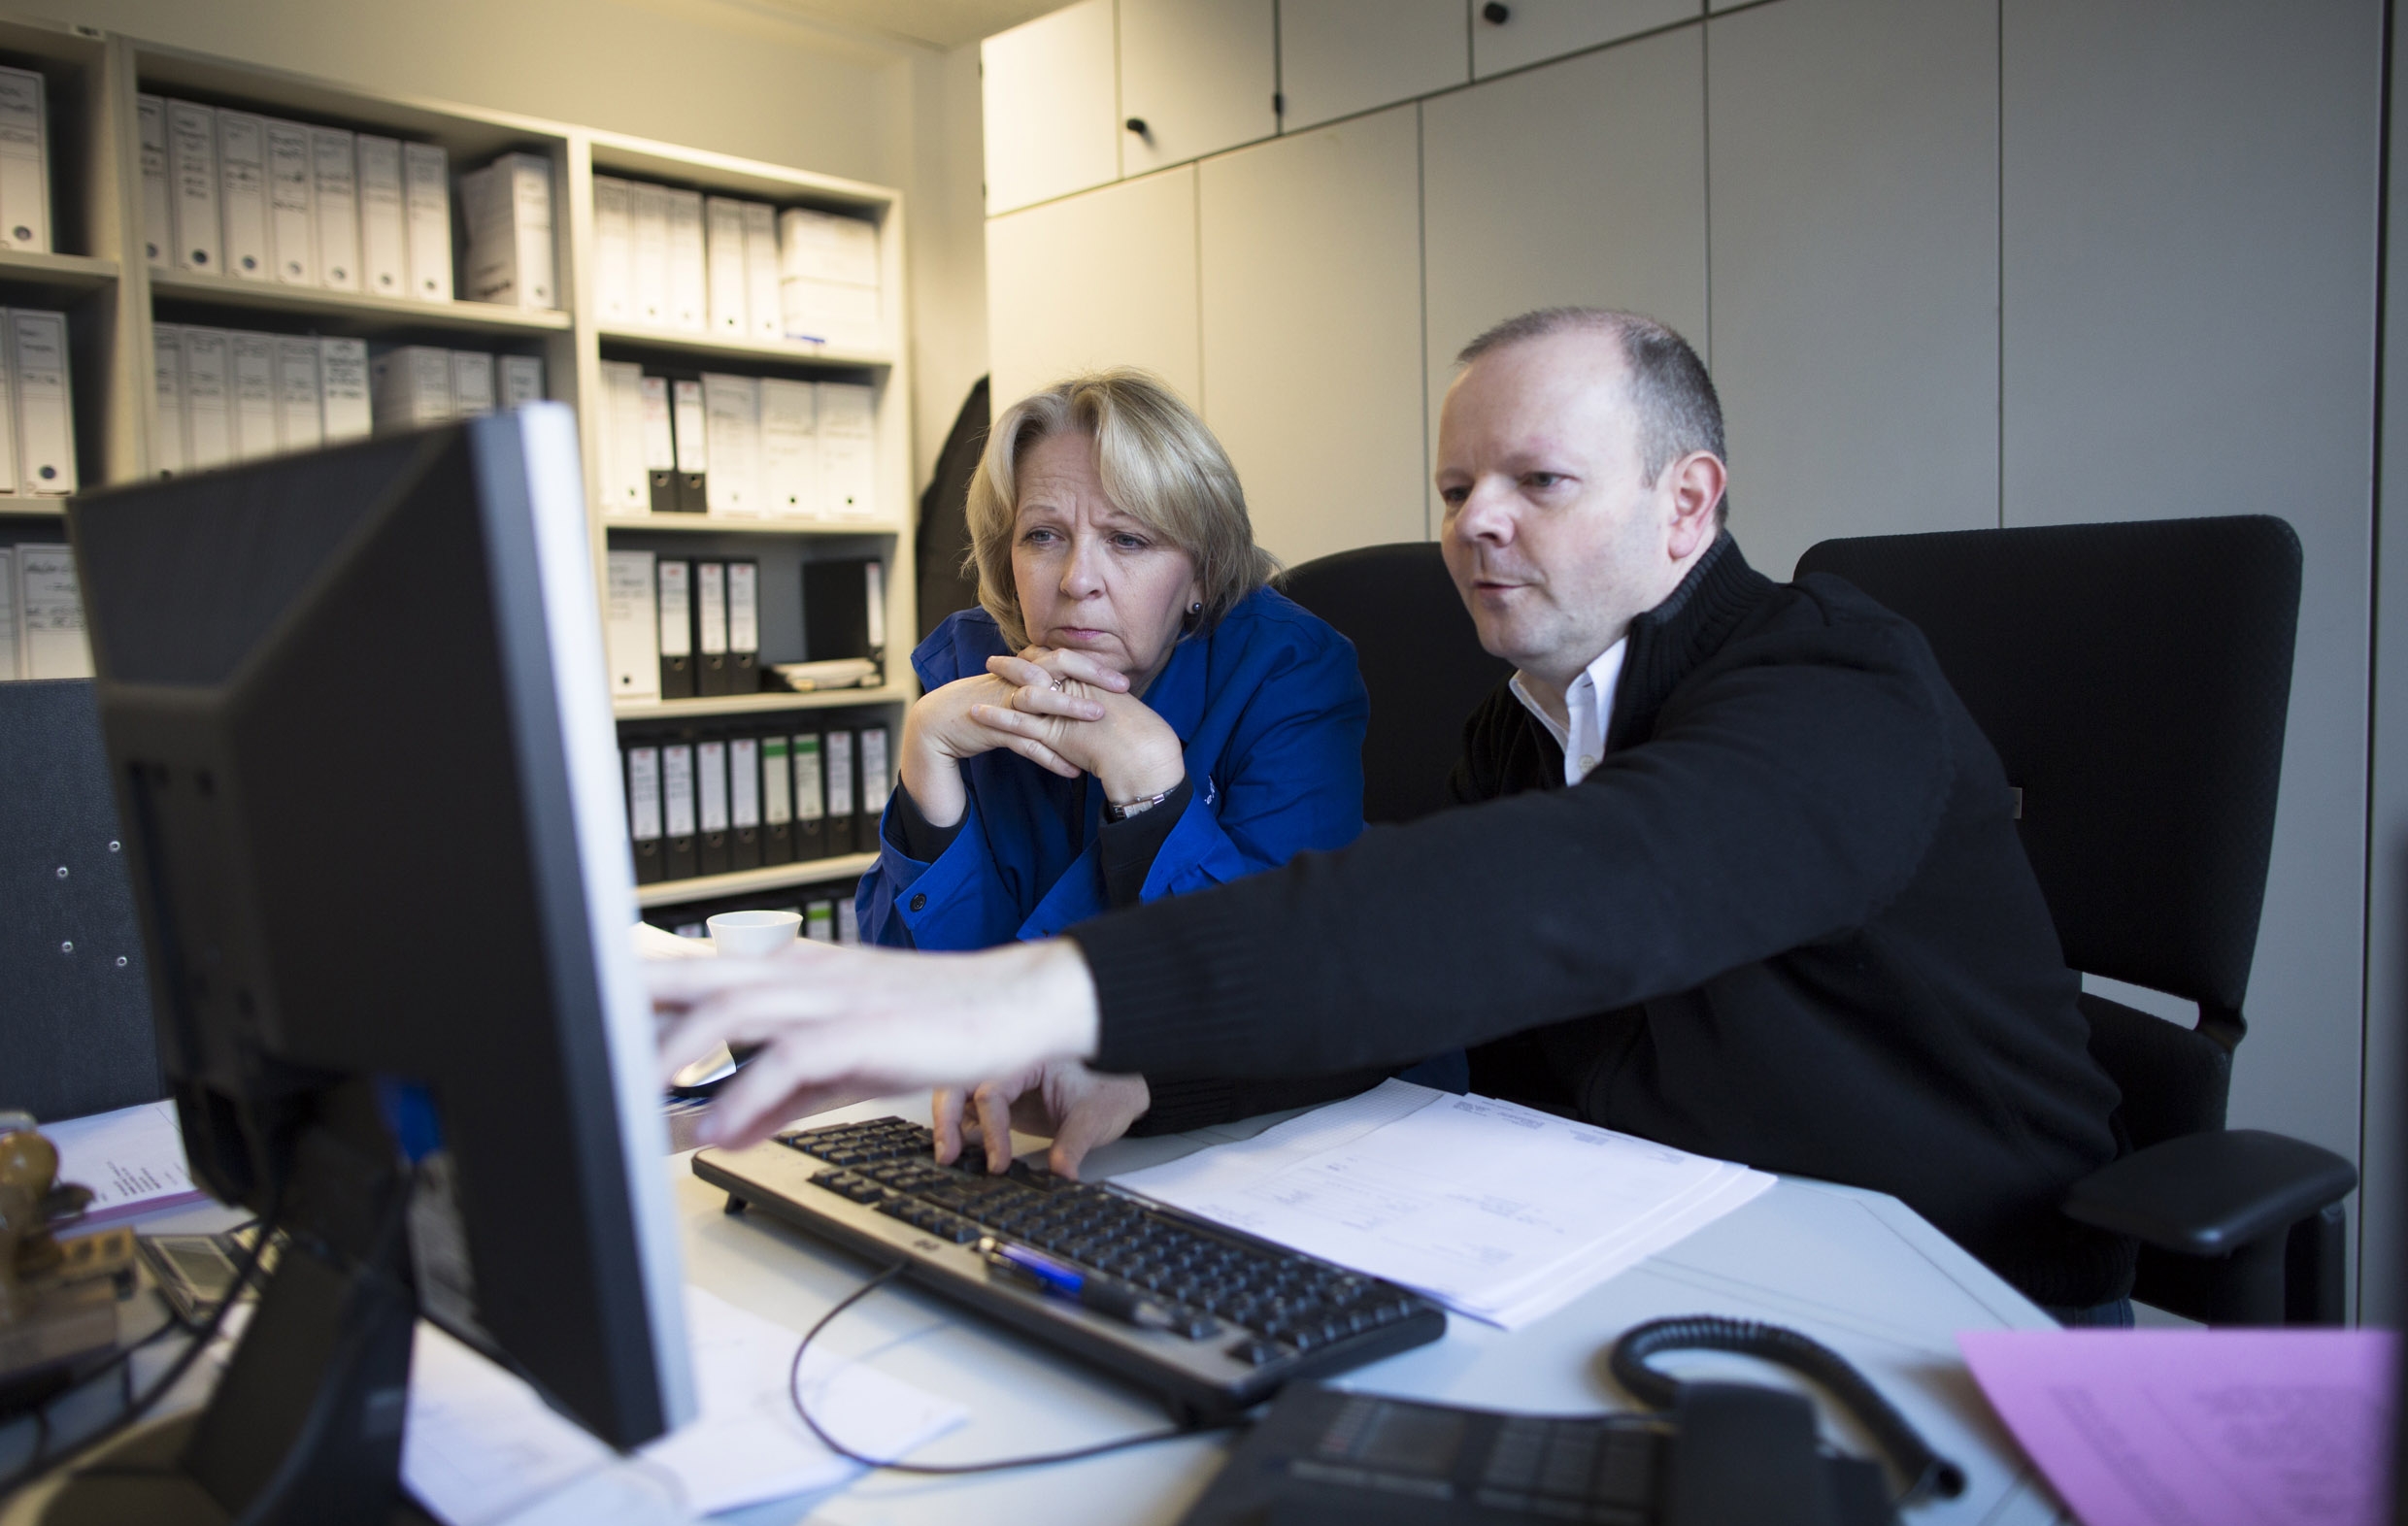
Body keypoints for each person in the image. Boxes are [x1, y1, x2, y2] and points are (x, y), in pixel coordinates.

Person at [652, 310, 2134, 1317]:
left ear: (1688, 503)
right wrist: (1157, 1077)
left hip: (1945, 1283)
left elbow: (1577, 889)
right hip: (1649, 1252)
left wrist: (1045, 992)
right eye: (1456, 484)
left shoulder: (1835, 680)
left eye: (1540, 480)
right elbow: (1432, 1008)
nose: (1476, 521)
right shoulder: (1516, 730)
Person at [864, 367, 1388, 1178]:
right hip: (1030, 1131)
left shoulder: (1290, 675)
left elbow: (1282, 984)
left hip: (1291, 1136)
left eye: (1129, 540)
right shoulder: (974, 670)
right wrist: (925, 764)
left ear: (1201, 574)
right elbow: (913, 1005)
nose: (1077, 580)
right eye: (1044, 536)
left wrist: (1149, 786)